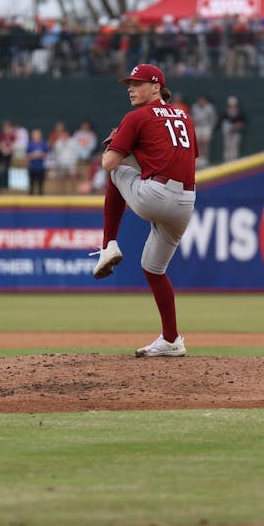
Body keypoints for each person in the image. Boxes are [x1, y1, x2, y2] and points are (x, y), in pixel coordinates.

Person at [92, 63, 197, 358]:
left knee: (115, 173)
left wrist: (117, 142)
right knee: (153, 269)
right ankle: (171, 339)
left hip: (157, 195)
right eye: (130, 83)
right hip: (186, 202)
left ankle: (107, 245)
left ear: (156, 88)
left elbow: (109, 163)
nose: (130, 88)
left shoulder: (137, 117)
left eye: (137, 83)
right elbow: (182, 156)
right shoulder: (185, 117)